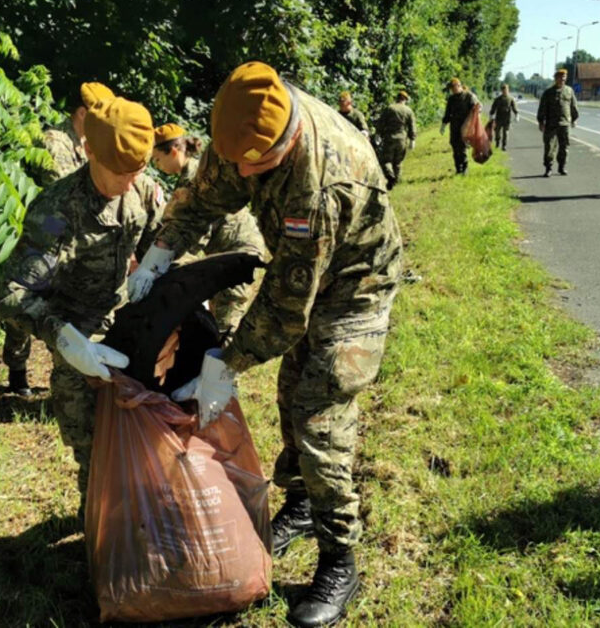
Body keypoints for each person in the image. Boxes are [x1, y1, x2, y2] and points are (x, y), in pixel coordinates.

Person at [129, 62, 402, 628]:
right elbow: (203, 194)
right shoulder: (242, 125)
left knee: (319, 412)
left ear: (289, 137)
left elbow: (284, 309)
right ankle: (302, 504)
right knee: (289, 393)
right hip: (305, 272)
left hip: (356, 285)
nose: (244, 171)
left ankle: (339, 559)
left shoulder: (324, 182)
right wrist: (161, 250)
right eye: (238, 161)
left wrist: (223, 366)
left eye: (258, 163)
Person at [0, 96, 164, 514]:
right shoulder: (56, 213)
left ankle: (139, 524)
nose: (128, 183)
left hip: (125, 324)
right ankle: (101, 532)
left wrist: (154, 272)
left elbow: (159, 247)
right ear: (88, 150)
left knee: (149, 438)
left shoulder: (142, 191)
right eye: (118, 173)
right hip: (75, 334)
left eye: (137, 171)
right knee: (93, 450)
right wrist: (63, 337)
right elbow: (12, 292)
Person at [2, 82, 116, 395]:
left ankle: (68, 369)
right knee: (26, 297)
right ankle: (17, 368)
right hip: (47, 233)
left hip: (73, 236)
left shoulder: (84, 143)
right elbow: (65, 190)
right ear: (82, 113)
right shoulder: (56, 141)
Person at [150, 123, 267, 340]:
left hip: (238, 253)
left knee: (225, 323)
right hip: (226, 252)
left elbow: (195, 233)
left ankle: (224, 369)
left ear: (174, 151)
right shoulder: (191, 173)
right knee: (216, 315)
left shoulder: (195, 176)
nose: (158, 166)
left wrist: (164, 268)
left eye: (158, 159)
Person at [536, 69, 579, 177]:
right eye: (560, 78)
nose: (563, 80)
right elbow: (542, 108)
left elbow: (573, 106)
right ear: (556, 78)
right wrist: (541, 122)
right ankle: (548, 168)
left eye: (564, 78)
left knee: (564, 147)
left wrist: (574, 119)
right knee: (549, 147)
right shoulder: (548, 92)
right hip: (551, 124)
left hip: (565, 124)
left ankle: (562, 167)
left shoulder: (569, 91)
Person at [374, 91, 417, 189]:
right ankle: (395, 181)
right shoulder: (408, 110)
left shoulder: (389, 108)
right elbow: (412, 125)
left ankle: (390, 175)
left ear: (397, 98)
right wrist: (412, 139)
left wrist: (378, 133)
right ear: (405, 99)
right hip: (402, 139)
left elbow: (381, 122)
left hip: (389, 137)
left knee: (386, 160)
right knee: (398, 162)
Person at [440, 78, 480, 175]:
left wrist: (474, 123)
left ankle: (464, 168)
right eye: (451, 89)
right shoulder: (451, 99)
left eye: (453, 88)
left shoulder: (469, 96)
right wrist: (443, 124)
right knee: (454, 147)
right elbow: (448, 113)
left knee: (462, 148)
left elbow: (477, 109)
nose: (452, 91)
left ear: (458, 86)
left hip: (465, 128)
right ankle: (458, 168)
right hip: (454, 127)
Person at [489, 83, 519, 150]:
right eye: (503, 90)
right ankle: (497, 142)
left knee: (506, 133)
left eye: (506, 90)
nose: (505, 91)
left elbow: (514, 107)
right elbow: (493, 107)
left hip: (507, 119)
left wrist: (517, 114)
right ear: (502, 90)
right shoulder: (498, 99)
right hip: (498, 118)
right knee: (497, 132)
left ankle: (504, 145)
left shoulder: (511, 99)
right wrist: (491, 115)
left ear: (508, 90)